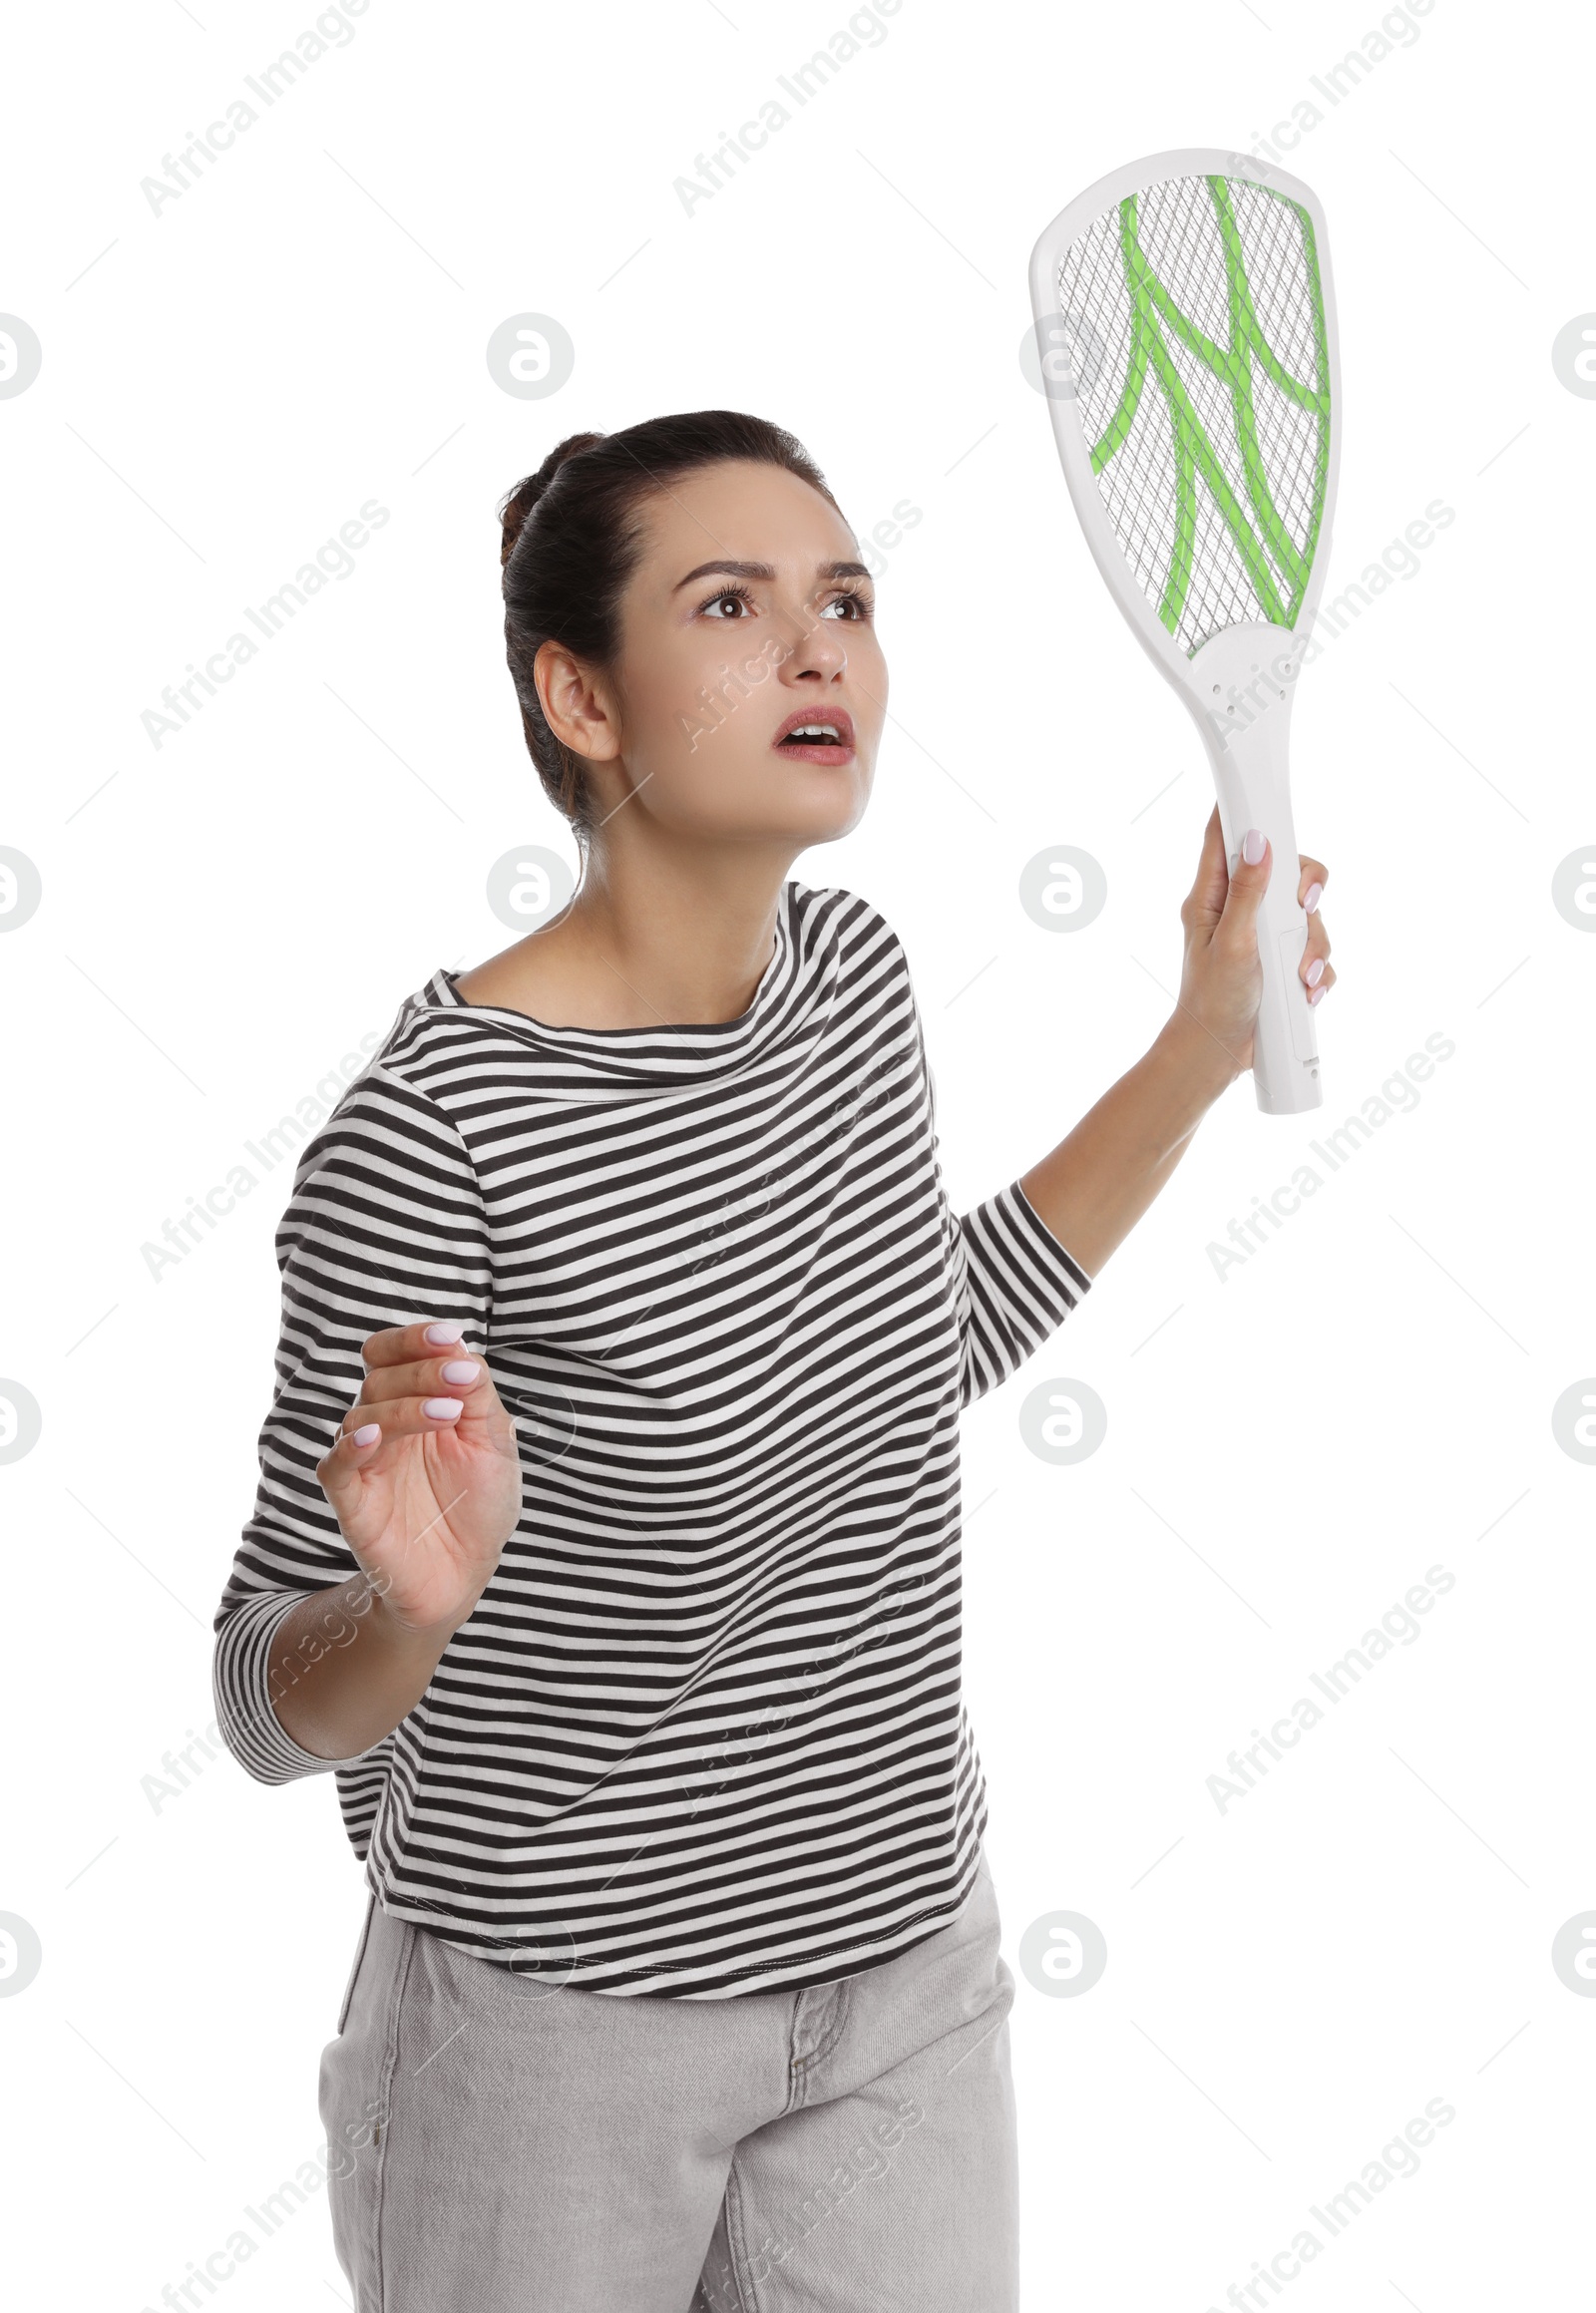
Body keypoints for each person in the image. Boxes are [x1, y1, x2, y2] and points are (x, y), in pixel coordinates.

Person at [211, 409, 1333, 2311]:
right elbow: (263, 1698)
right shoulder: (438, 1134)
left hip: (905, 1976)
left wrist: (1201, 1047)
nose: (821, 652)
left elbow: (917, 1341)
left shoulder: (855, 978)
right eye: (730, 605)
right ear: (583, 695)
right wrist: (406, 1612)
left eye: (847, 601)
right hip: (552, 2042)